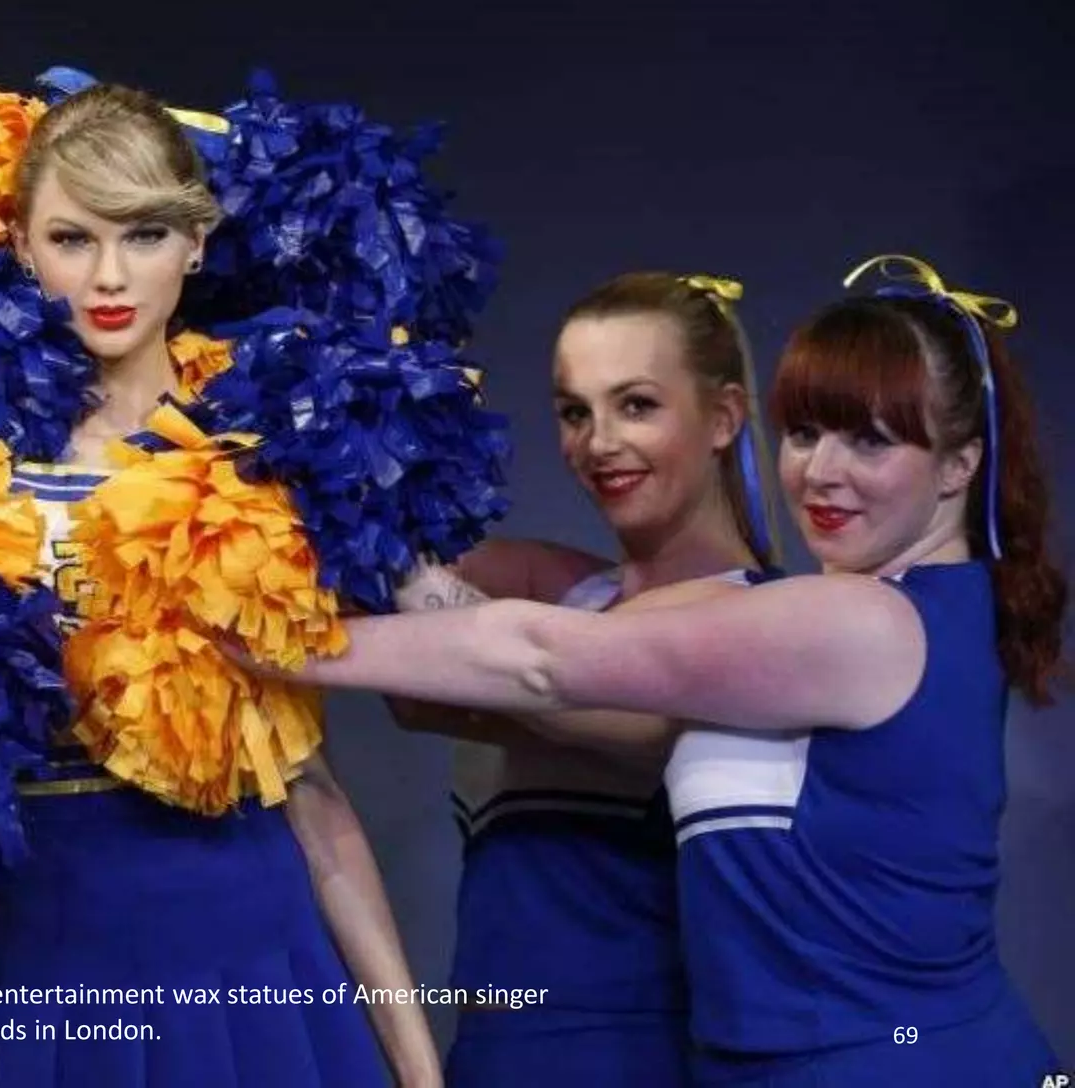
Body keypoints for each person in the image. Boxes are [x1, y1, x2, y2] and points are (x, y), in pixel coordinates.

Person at [260, 256, 1064, 1082]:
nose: (820, 472)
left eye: (870, 439)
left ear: (961, 464)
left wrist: (255, 646)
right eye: (804, 432)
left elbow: (539, 663)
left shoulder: (860, 617)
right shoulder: (915, 608)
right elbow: (448, 653)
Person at [0, 83, 440, 1088]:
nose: (109, 275)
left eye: (146, 233)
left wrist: (418, 1070)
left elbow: (311, 792)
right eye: (71, 239)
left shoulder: (273, 447)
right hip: (47, 967)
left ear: (196, 245)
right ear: (20, 248)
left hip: (255, 965)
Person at [389, 271, 775, 1085]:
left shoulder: (769, 622)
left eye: (637, 405)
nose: (598, 443)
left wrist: (371, 531)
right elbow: (405, 666)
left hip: (640, 1057)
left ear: (724, 416)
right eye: (575, 412)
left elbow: (524, 679)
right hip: (489, 1049)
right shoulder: (564, 589)